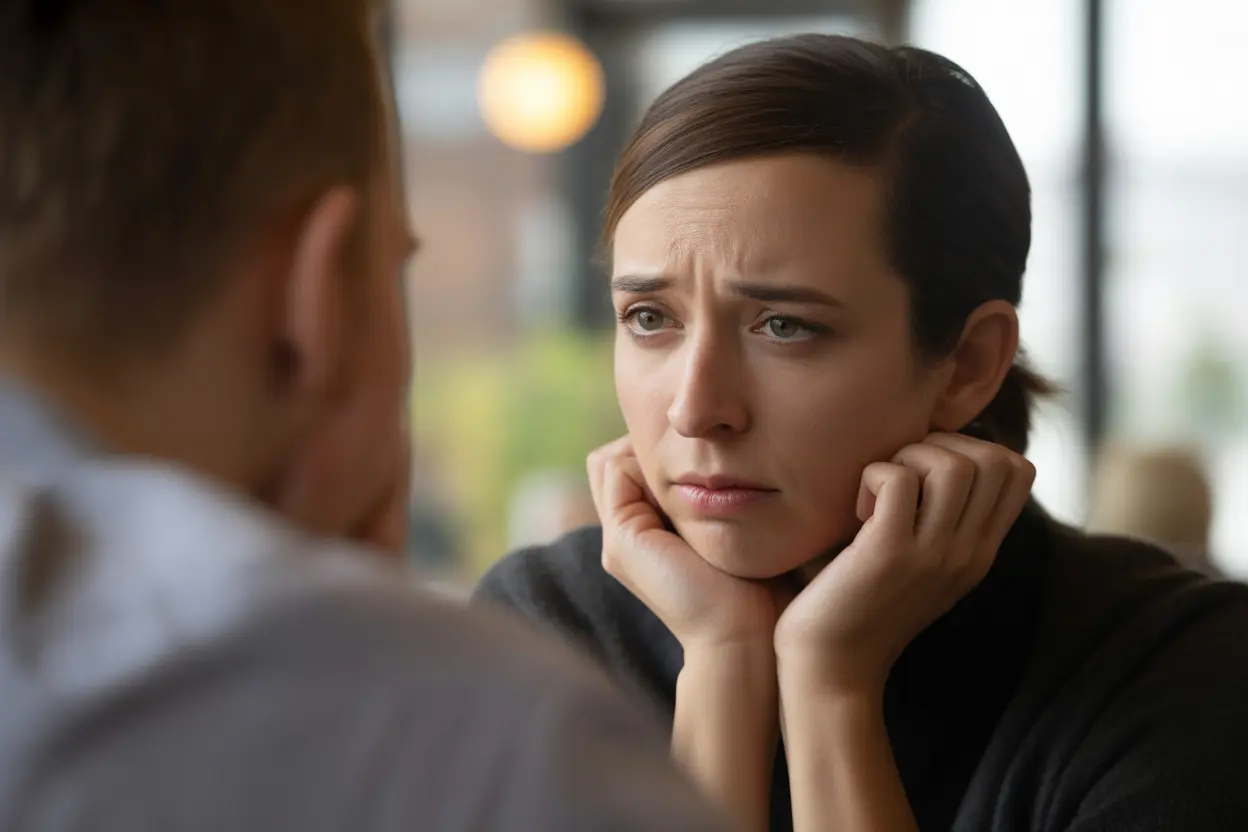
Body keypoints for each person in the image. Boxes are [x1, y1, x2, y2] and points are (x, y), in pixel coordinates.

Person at [475, 34, 1248, 832]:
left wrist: (831, 686)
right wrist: (723, 666)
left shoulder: (1179, 673)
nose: (695, 409)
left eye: (783, 325)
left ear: (967, 365)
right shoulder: (539, 636)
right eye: (648, 318)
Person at [0, 3, 728, 830]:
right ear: (311, 310)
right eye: (393, 267)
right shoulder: (464, 743)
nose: (698, 405)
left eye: (786, 326)